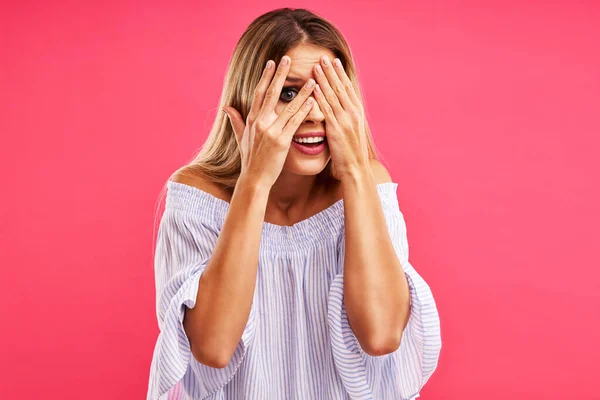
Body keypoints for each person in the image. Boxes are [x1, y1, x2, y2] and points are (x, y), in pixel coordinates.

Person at [146, 7, 441, 400]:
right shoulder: (198, 197)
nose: (315, 113)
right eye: (290, 92)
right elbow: (213, 348)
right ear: (250, 96)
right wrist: (254, 181)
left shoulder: (366, 185)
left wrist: (355, 170)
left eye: (330, 93)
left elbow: (382, 335)